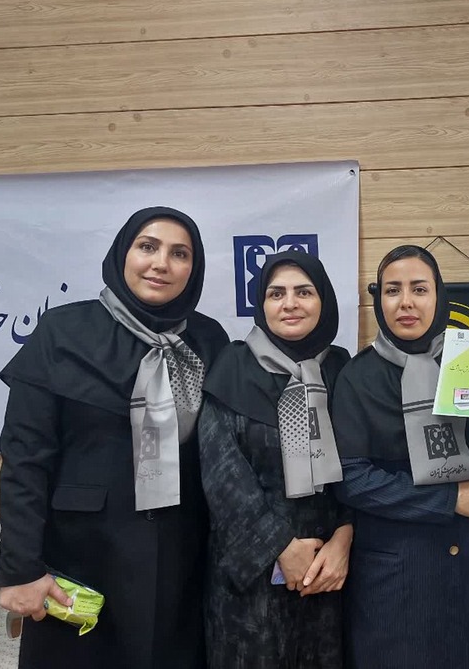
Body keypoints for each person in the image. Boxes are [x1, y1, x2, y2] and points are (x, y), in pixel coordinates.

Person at [0, 207, 230, 669]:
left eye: (179, 253)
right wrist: (21, 569)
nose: (161, 263)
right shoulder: (63, 332)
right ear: (123, 253)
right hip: (81, 561)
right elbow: (25, 459)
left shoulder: (207, 340)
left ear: (194, 268)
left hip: (182, 564)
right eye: (148, 247)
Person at [332, 245, 469, 669]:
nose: (406, 302)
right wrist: (449, 499)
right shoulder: (358, 377)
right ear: (379, 300)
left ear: (439, 297)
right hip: (397, 569)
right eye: (392, 290)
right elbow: (350, 479)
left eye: (419, 289)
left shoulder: (468, 363)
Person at [197, 251, 353, 668]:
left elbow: (360, 461)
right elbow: (222, 472)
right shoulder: (232, 366)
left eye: (304, 292)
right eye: (276, 293)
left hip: (329, 569)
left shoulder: (341, 369)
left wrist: (345, 537)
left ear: (324, 301)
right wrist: (279, 546)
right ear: (261, 305)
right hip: (251, 577)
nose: (290, 304)